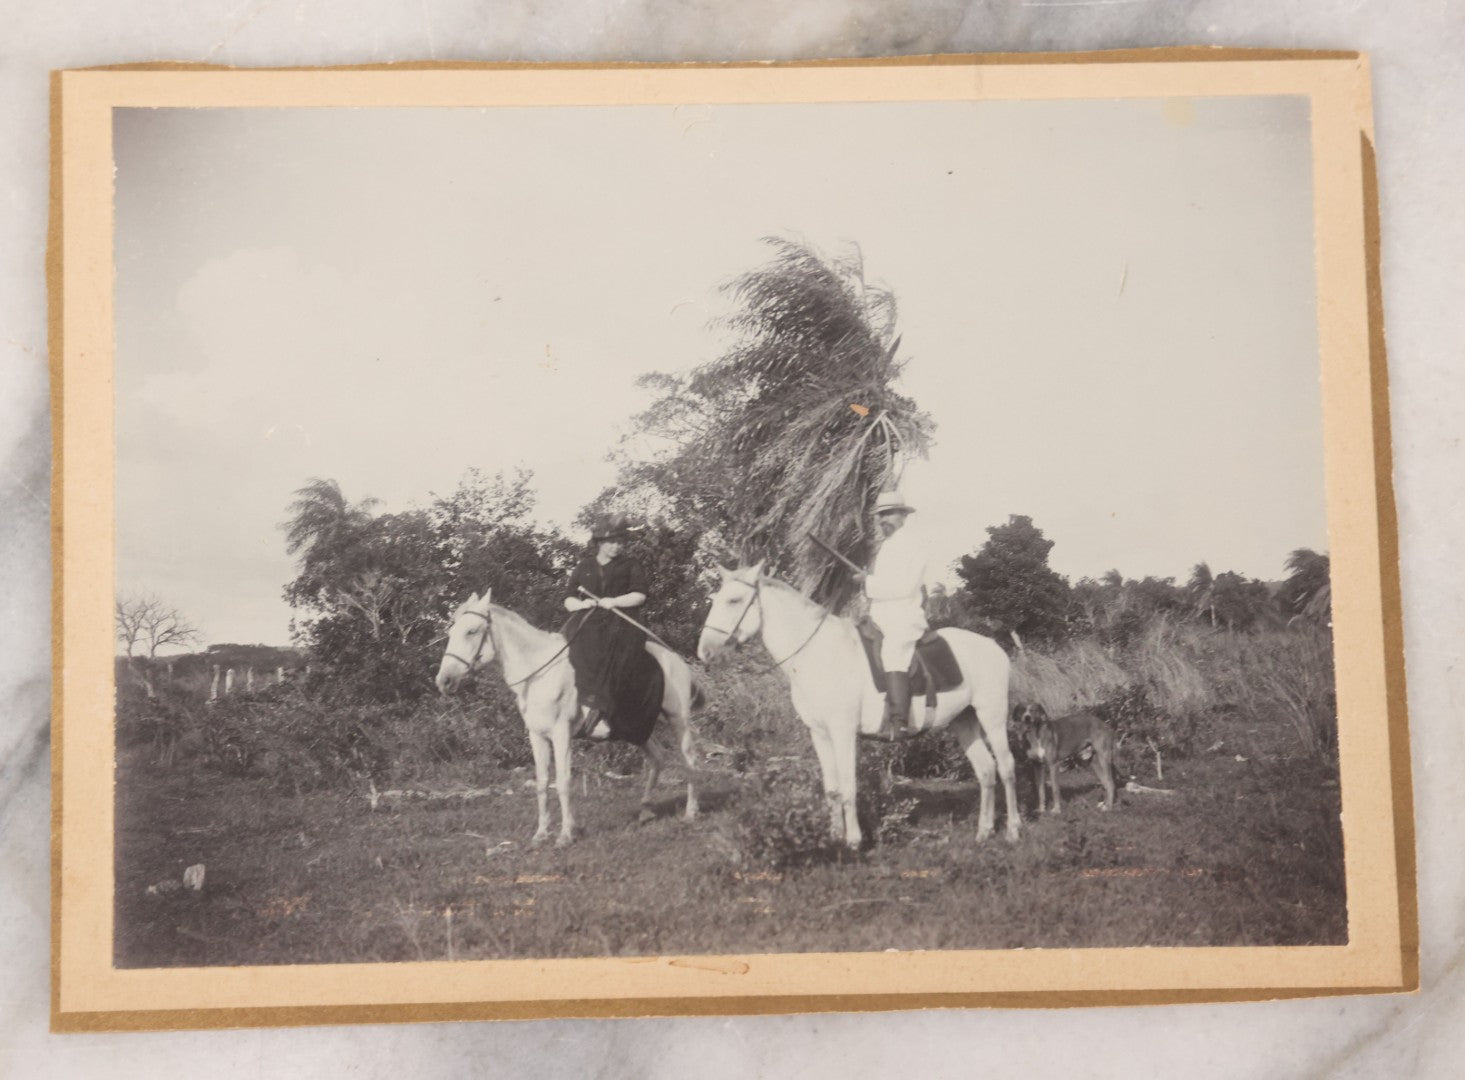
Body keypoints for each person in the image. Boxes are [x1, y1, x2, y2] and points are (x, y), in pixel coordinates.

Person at [562, 512, 655, 741]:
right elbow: (568, 598)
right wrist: (581, 604)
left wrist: (614, 601)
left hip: (621, 622)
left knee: (610, 647)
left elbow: (640, 595)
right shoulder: (584, 566)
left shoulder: (631, 565)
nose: (617, 547)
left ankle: (597, 711)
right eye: (612, 542)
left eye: (621, 542)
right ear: (600, 543)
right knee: (569, 644)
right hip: (588, 620)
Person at [853, 490, 929, 740]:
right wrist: (867, 583)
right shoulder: (887, 546)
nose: (882, 520)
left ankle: (899, 722)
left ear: (903, 515)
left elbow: (905, 587)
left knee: (893, 653)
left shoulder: (915, 544)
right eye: (880, 515)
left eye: (888, 514)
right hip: (880, 615)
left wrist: (869, 582)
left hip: (903, 616)